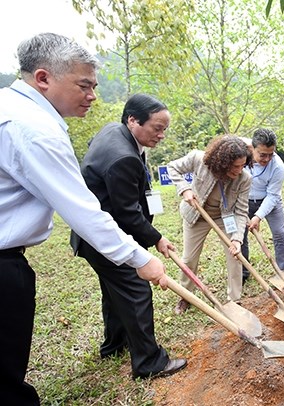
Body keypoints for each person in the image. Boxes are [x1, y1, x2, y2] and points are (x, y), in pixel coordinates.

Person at [0, 33, 167, 405]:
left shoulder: (13, 108)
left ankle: (115, 344)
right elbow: (84, 210)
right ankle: (146, 358)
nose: (93, 95)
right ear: (43, 78)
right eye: (84, 85)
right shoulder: (34, 129)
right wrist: (144, 255)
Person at [71, 93, 186, 379]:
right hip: (106, 238)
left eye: (164, 129)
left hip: (90, 237)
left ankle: (114, 345)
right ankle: (149, 362)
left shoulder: (113, 131)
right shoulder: (123, 157)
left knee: (114, 292)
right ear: (133, 120)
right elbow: (127, 213)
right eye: (156, 128)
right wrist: (156, 238)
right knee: (136, 291)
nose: (161, 135)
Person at [168, 135, 252, 314]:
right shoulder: (198, 159)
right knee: (189, 258)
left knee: (235, 256)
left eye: (242, 165)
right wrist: (185, 189)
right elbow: (172, 168)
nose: (239, 170)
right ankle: (185, 296)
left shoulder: (244, 179)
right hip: (196, 214)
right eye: (235, 166)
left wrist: (237, 239)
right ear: (222, 162)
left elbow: (242, 211)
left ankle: (234, 301)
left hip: (224, 217)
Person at [241, 128, 284, 281]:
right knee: (239, 236)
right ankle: (243, 272)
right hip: (245, 201)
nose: (266, 159)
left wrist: (258, 216)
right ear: (253, 148)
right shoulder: (241, 154)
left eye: (271, 154)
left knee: (280, 234)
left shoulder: (278, 167)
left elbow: (272, 196)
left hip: (270, 201)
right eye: (262, 155)